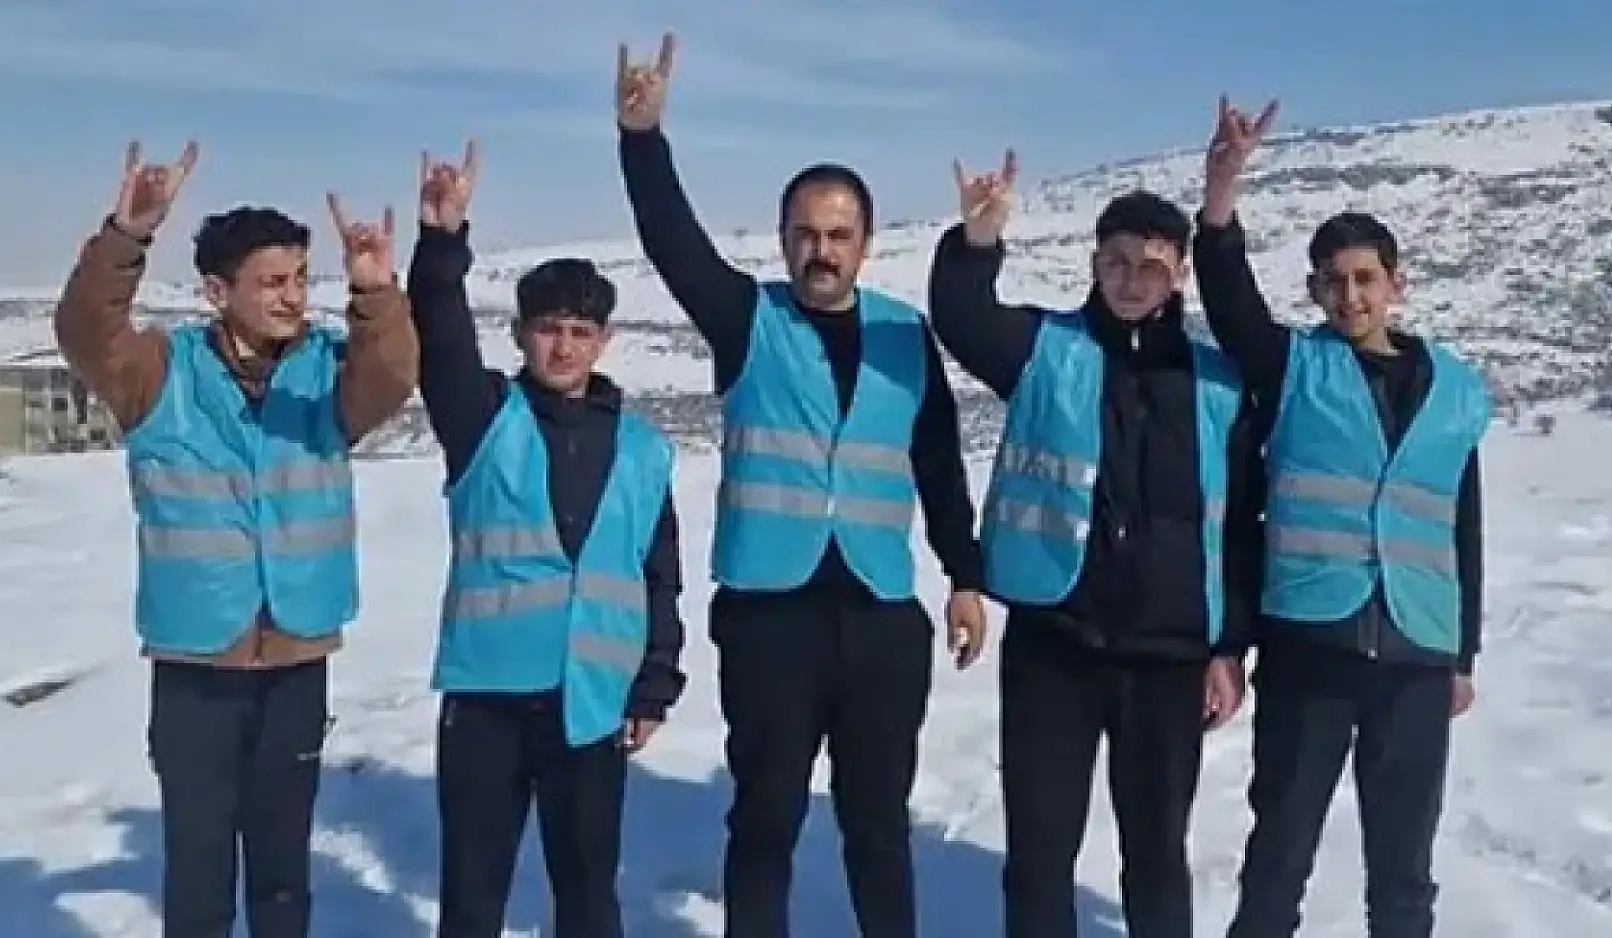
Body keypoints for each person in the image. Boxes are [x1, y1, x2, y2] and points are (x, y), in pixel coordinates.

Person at [614, 33, 990, 938]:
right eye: (805, 234)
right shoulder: (747, 319)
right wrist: (642, 140)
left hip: (878, 617)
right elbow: (673, 243)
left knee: (877, 829)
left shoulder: (907, 336)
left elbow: (937, 461)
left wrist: (965, 575)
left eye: (838, 235)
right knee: (766, 822)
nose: (821, 250)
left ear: (865, 243)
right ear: (783, 240)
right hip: (769, 616)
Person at [52, 141, 418, 938]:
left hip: (295, 653)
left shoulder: (329, 372)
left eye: (299, 279)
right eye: (272, 282)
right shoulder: (158, 372)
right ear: (218, 291)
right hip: (196, 664)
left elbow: (392, 376)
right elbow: (84, 329)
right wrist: (127, 234)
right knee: (198, 863)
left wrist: (375, 292)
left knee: (284, 864)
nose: (292, 298)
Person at [929, 151, 1264, 938]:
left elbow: (1240, 525)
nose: (1133, 279)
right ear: (1094, 264)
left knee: (1155, 857)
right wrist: (977, 241)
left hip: (1169, 655)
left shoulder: (1219, 384)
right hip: (1057, 642)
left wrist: (1230, 649)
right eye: (1116, 262)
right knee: (1041, 855)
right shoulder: (1045, 350)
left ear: (1178, 273)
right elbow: (962, 316)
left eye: (1152, 264)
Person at [1193, 96, 1491, 938]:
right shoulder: (1292, 367)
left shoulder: (1455, 393)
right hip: (1310, 646)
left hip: (1416, 656)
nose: (1351, 295)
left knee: (1404, 870)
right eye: (1334, 281)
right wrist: (1222, 194)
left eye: (1366, 279)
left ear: (1397, 285)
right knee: (1280, 851)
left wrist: (1461, 652)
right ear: (1316, 290)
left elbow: (1460, 526)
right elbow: (1229, 300)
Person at [406, 143, 687, 938]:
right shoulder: (482, 417)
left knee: (590, 898)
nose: (562, 346)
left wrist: (654, 680)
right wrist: (440, 241)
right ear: (521, 334)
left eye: (579, 330)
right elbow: (439, 327)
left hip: (588, 706)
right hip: (488, 703)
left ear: (604, 339)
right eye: (547, 329)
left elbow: (657, 574)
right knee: (472, 898)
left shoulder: (641, 448)